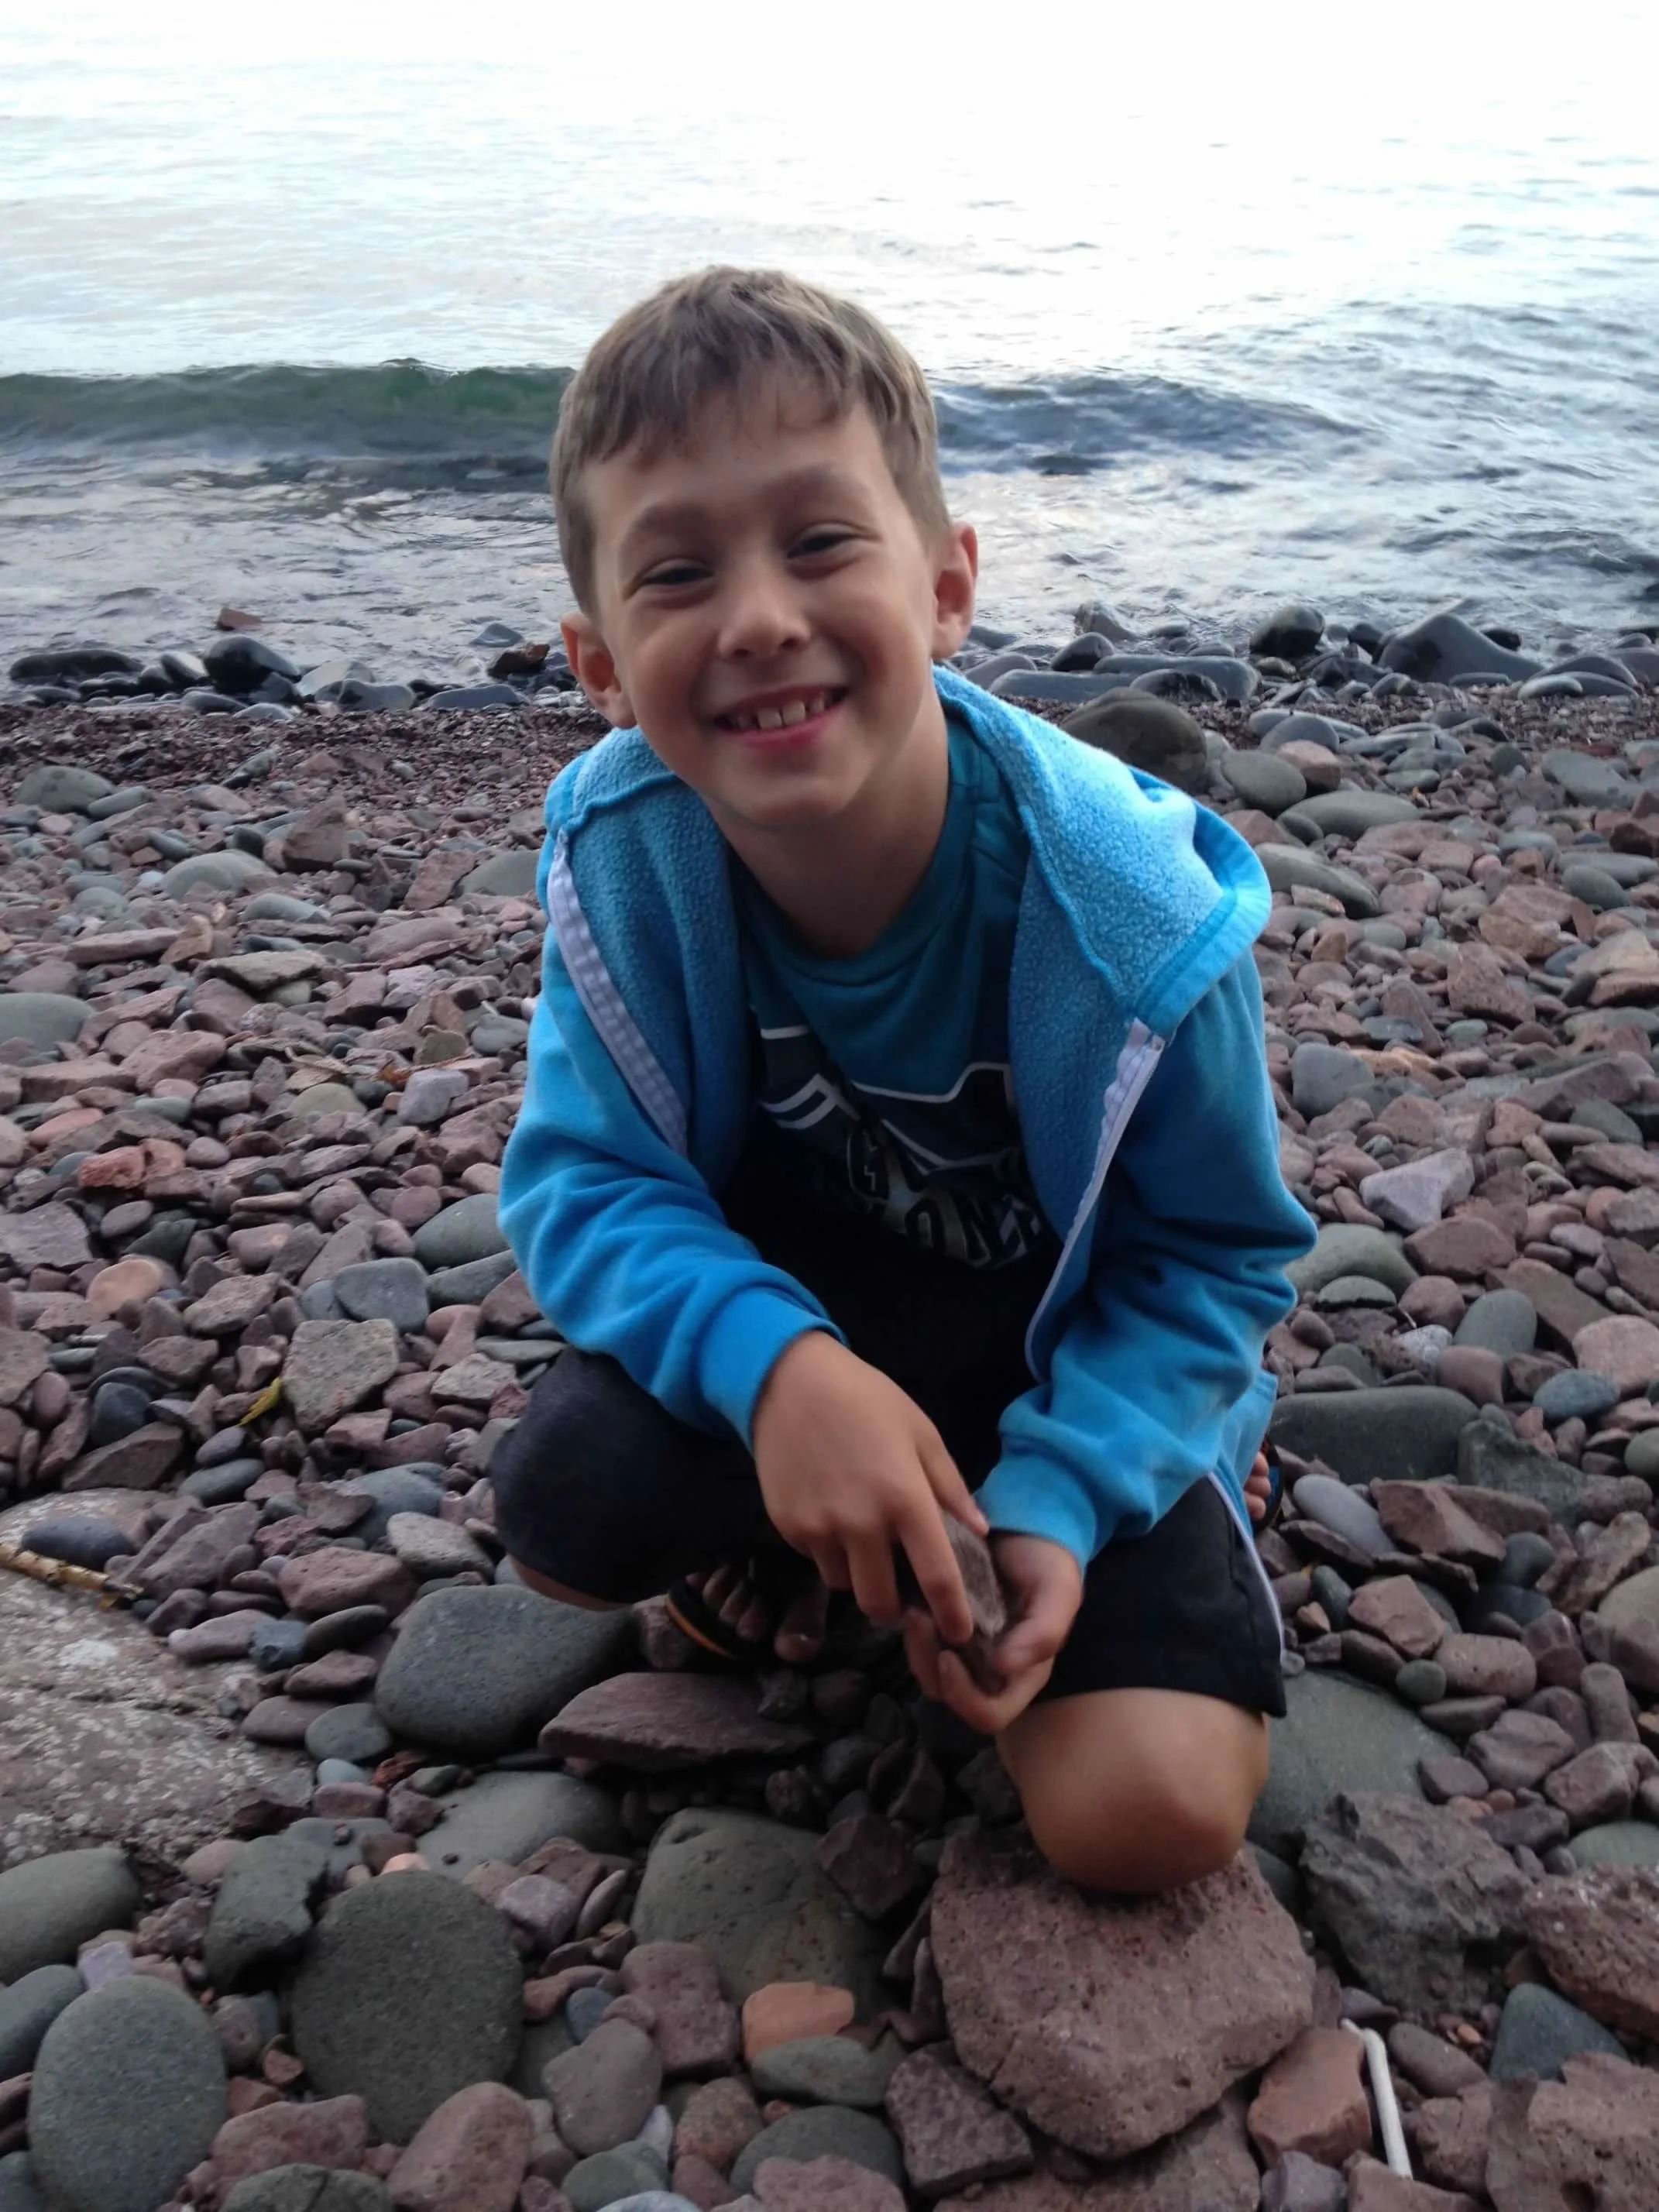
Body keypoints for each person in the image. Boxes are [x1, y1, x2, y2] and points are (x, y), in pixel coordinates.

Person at [492, 266, 1315, 1894]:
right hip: (823, 1313)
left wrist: (1065, 1501)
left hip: (1065, 1345)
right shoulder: (629, 858)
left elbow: (1218, 1253)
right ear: (598, 663)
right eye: (677, 571)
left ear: (946, 589)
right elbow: (583, 1182)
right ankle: (817, 1511)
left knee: (1143, 1815)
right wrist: (782, 1374)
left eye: (819, 542)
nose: (758, 618)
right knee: (565, 1515)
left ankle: (1182, 1472)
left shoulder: (1134, 916)